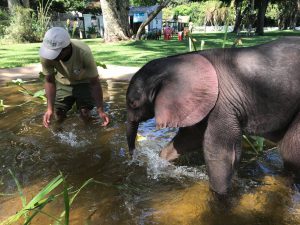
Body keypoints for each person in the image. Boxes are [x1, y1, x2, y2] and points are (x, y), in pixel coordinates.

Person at [39, 27, 110, 128]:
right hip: (63, 81)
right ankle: (58, 132)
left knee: (85, 113)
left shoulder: (83, 52)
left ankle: (89, 131)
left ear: (66, 48)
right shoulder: (46, 55)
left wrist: (100, 110)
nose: (51, 57)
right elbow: (49, 81)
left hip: (84, 81)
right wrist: (49, 109)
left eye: (55, 53)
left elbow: (94, 82)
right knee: (58, 113)